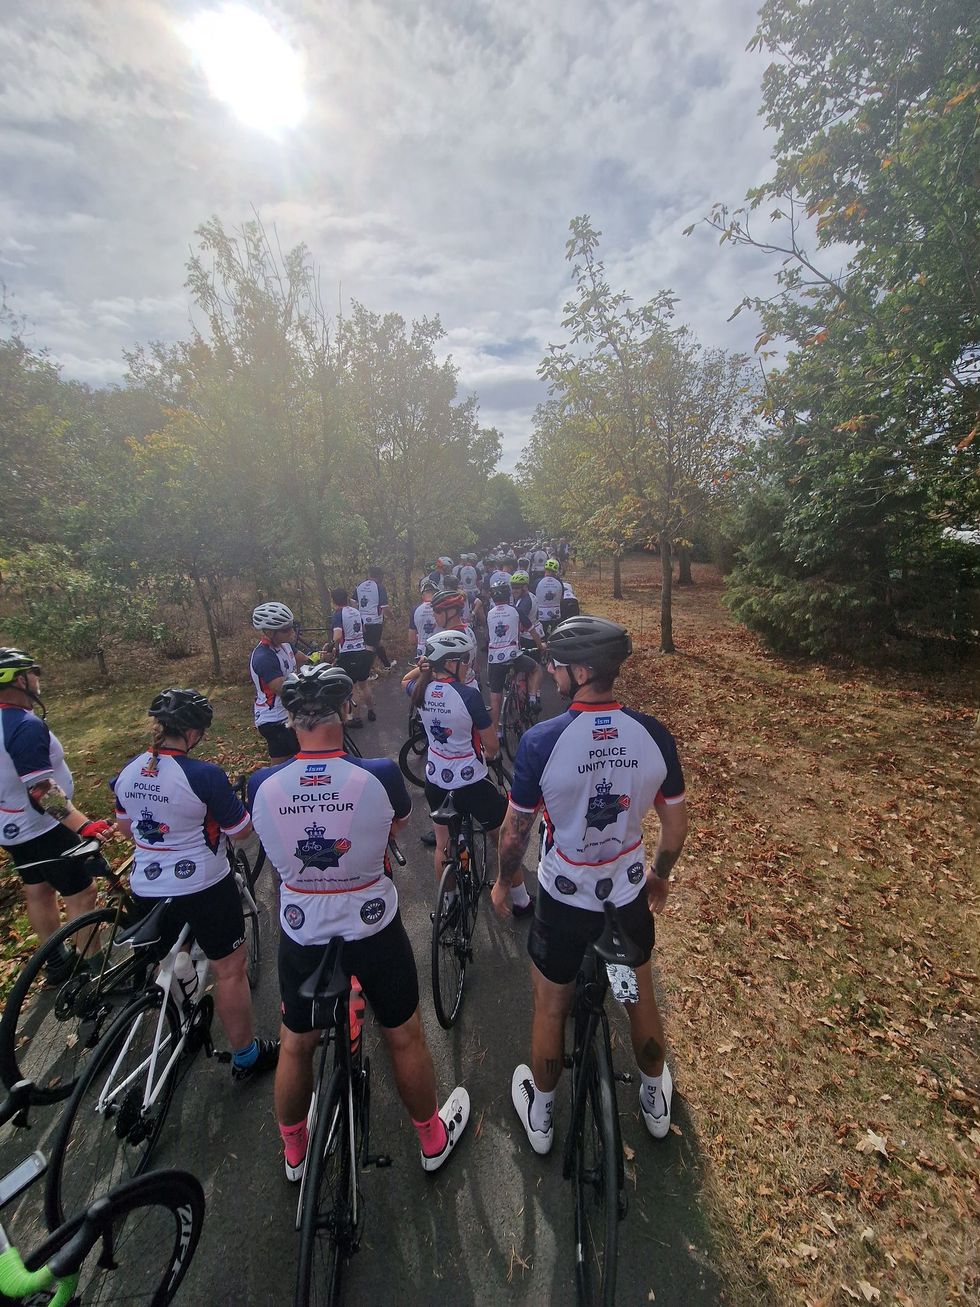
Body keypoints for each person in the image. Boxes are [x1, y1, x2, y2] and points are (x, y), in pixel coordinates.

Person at [248, 664, 470, 1179]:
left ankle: (296, 1152)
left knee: (296, 1041)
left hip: (303, 927)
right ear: (346, 710)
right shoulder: (381, 774)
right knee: (404, 1035)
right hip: (371, 924)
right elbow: (394, 823)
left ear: (288, 719)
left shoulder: (261, 782)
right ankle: (431, 1139)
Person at [491, 616, 687, 1151]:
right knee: (639, 996)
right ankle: (652, 1097)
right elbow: (675, 825)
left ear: (580, 671)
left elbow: (516, 834)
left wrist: (506, 882)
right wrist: (660, 875)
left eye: (556, 663)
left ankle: (544, 1114)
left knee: (551, 1007)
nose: (550, 671)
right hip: (625, 890)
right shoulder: (652, 733)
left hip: (565, 895)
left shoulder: (541, 741)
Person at [112, 689, 279, 1082]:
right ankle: (245, 1055)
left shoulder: (128, 771)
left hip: (147, 886)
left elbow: (125, 827)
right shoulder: (204, 775)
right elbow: (240, 832)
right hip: (204, 886)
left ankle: (180, 1017)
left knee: (170, 958)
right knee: (229, 971)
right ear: (190, 733)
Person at [401, 632, 532, 917]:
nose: (468, 666)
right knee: (504, 838)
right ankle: (522, 901)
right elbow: (493, 745)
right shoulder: (468, 695)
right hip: (471, 782)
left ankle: (449, 903)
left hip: (436, 781)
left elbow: (404, 681)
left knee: (444, 845)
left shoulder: (419, 689)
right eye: (464, 660)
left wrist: (423, 666)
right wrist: (488, 752)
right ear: (451, 663)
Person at [0, 648, 111, 968]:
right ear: (20, 680)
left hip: (11, 827)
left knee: (38, 889)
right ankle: (92, 967)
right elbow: (42, 792)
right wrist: (83, 826)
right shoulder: (24, 725)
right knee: (82, 894)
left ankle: (56, 962)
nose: (37, 680)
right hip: (44, 827)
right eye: (33, 674)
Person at [485, 581, 544, 738]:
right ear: (508, 595)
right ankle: (532, 698)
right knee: (536, 668)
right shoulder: (516, 611)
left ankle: (496, 731)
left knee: (495, 697)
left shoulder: (489, 614)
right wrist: (540, 646)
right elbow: (532, 632)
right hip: (514, 656)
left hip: (494, 660)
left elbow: (488, 638)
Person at [250, 602, 305, 764]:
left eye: (291, 626)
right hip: (274, 720)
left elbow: (306, 660)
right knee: (284, 767)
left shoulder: (285, 645)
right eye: (286, 629)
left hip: (290, 711)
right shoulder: (264, 657)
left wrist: (323, 658)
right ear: (269, 632)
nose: (292, 631)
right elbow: (282, 688)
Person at [330, 588, 376, 726]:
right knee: (364, 683)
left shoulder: (338, 615)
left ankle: (356, 719)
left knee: (353, 687)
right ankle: (371, 711)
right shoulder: (355, 611)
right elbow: (364, 629)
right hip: (362, 650)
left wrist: (332, 645)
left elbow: (337, 636)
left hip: (348, 654)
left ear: (334, 601)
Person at [355, 566, 395, 673]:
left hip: (362, 621)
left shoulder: (360, 586)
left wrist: (358, 617)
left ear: (369, 575)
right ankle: (366, 673)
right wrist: (392, 618)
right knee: (370, 646)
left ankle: (387, 665)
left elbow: (353, 603)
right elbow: (384, 607)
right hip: (375, 621)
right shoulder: (379, 588)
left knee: (376, 642)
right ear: (380, 576)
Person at [410, 578, 439, 659]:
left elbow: (412, 640)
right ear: (436, 593)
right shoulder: (442, 607)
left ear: (422, 595)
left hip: (422, 649)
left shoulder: (415, 610)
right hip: (440, 646)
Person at [535, 560, 564, 635]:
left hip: (541, 615)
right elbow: (561, 598)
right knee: (555, 634)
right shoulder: (559, 582)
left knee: (543, 634)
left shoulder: (537, 582)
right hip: (556, 614)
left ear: (545, 569)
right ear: (556, 571)